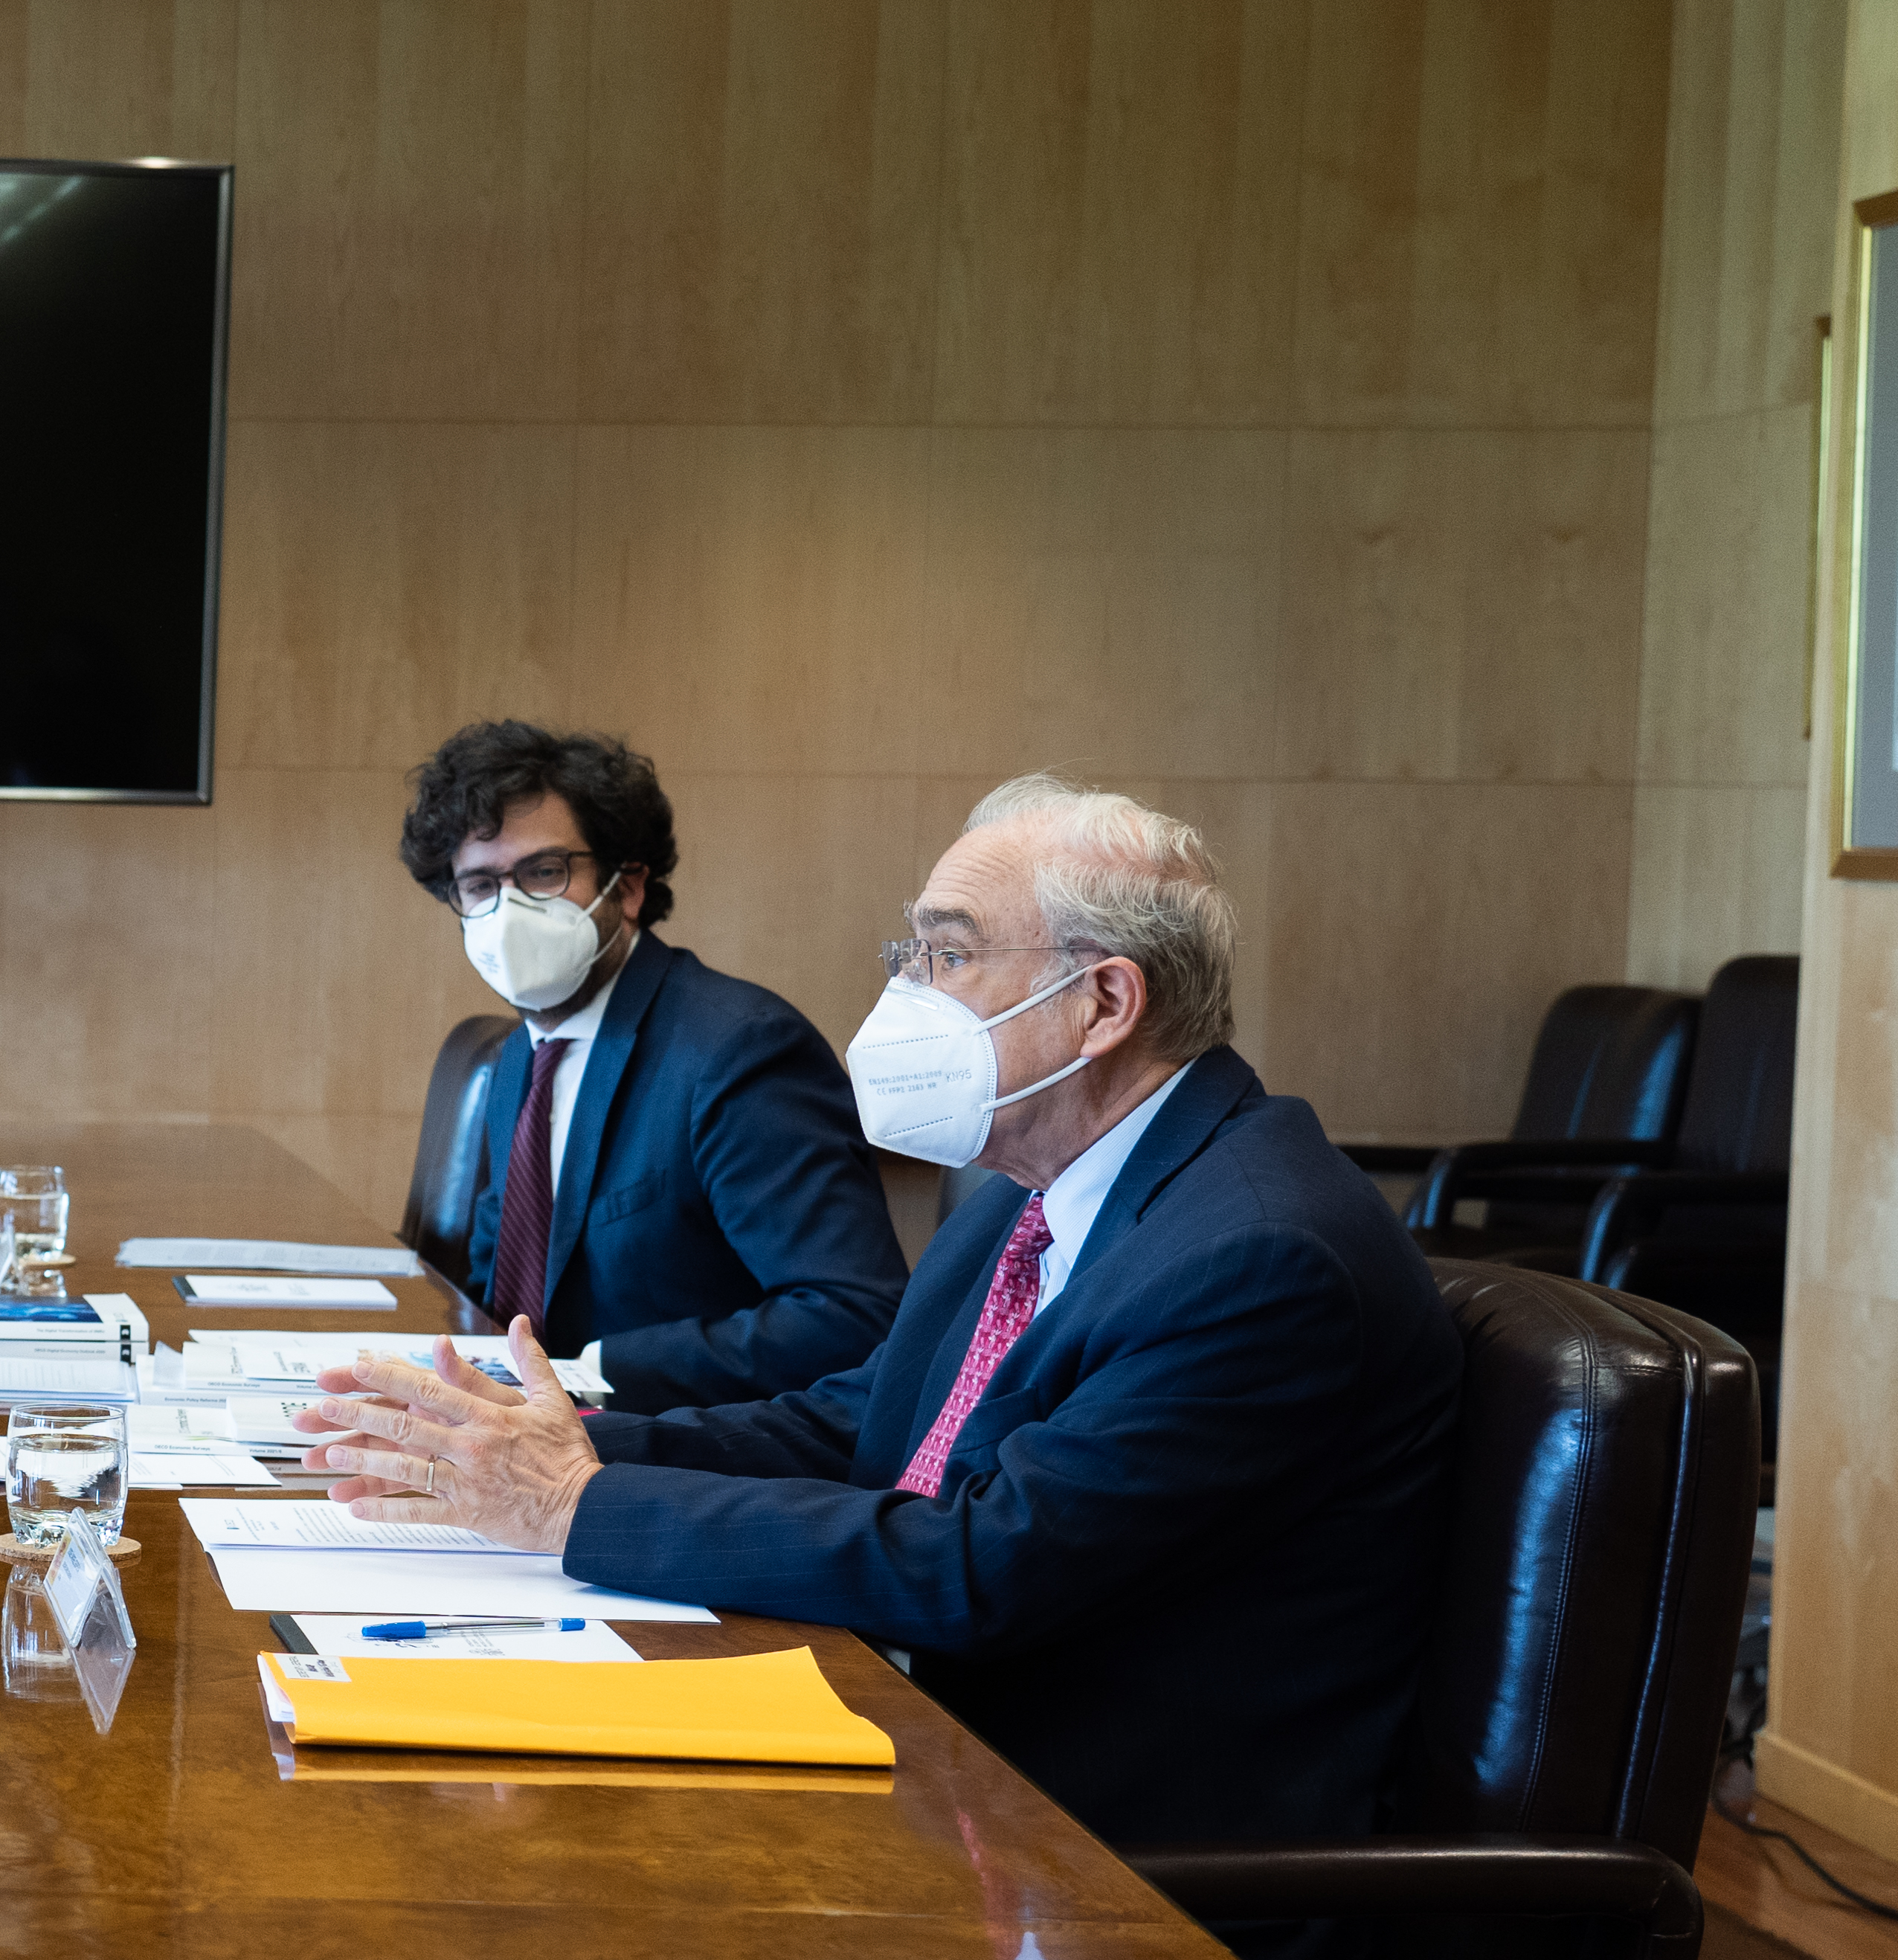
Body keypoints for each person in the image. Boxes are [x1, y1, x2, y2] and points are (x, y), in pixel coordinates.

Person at [300, 774, 1461, 1854]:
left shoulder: (1258, 1256)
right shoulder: (1034, 1191)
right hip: (943, 1756)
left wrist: (575, 1505)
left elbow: (985, 1566)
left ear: (1104, 1002)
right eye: (909, 952)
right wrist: (543, 1450)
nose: (904, 993)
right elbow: (865, 1424)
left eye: (946, 956)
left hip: (1110, 1874)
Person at [405, 719, 904, 1408]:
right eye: (480, 885)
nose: (508, 909)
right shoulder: (522, 1054)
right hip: (533, 1450)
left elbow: (853, 1316)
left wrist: (599, 1370)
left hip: (685, 1462)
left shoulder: (739, 1050)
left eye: (544, 873)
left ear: (628, 887)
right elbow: (506, 1287)